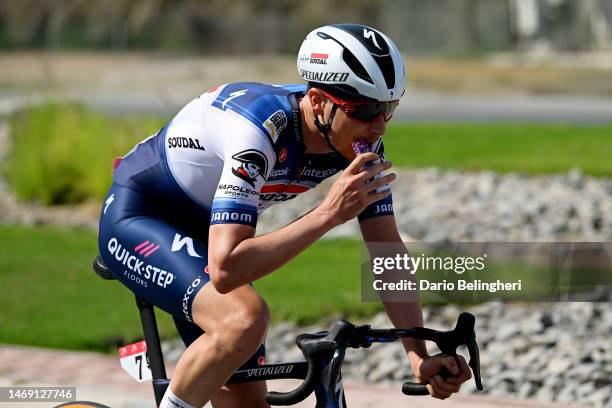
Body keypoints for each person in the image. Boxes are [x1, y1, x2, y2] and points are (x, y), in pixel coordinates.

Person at [98, 23, 471, 408]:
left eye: (388, 108)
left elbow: (386, 250)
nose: (378, 126)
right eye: (364, 110)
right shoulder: (257, 136)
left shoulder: (359, 137)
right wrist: (328, 213)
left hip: (206, 232)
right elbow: (225, 270)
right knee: (244, 318)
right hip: (141, 215)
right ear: (317, 100)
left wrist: (418, 355)